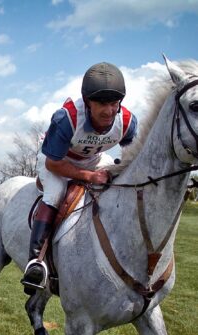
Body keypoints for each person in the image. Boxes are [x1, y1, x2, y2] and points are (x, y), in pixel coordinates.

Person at [21, 62, 138, 293]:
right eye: (101, 104)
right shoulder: (66, 118)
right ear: (87, 102)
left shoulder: (127, 122)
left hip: (94, 159)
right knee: (55, 194)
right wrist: (88, 176)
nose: (109, 111)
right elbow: (52, 163)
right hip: (56, 160)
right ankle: (36, 261)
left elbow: (130, 156)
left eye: (114, 103)